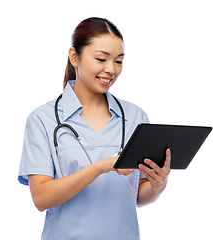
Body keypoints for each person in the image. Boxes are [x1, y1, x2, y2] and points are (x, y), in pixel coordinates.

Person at [18, 17, 171, 240]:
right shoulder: (42, 119)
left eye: (118, 61)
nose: (111, 70)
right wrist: (100, 167)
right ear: (74, 57)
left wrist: (158, 185)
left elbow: (136, 195)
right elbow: (41, 198)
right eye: (101, 59)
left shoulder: (136, 117)